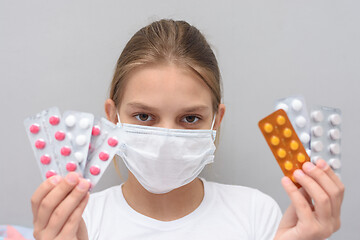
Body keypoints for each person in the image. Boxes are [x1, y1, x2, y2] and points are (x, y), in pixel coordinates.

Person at [30, 19, 344, 240]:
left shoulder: (256, 213)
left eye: (190, 118)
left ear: (216, 120)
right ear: (112, 118)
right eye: (144, 117)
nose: (166, 138)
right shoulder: (78, 222)